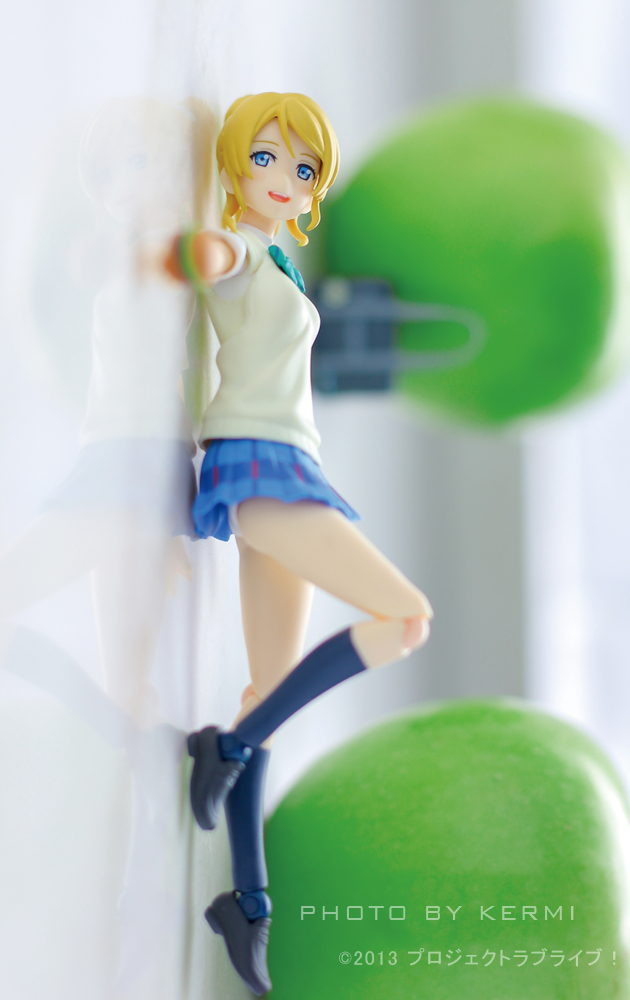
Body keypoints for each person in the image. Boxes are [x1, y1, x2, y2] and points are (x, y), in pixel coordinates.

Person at [170, 92, 432, 995]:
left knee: (269, 690)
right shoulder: (242, 248)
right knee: (405, 618)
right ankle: (231, 747)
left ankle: (248, 901)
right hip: (258, 464)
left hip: (288, 461)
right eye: (265, 159)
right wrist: (189, 250)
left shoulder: (278, 258)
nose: (285, 179)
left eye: (303, 167)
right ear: (234, 167)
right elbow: (204, 258)